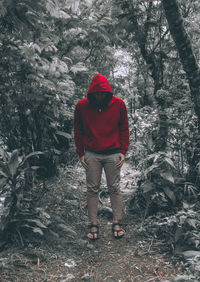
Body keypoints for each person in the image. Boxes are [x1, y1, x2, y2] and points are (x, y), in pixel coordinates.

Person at [74, 73, 129, 240]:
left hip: (113, 153)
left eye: (102, 93)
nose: (100, 96)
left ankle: (117, 222)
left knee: (114, 188)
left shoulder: (119, 104)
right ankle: (93, 223)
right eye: (97, 93)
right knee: (92, 189)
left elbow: (124, 128)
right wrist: (81, 153)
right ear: (92, 92)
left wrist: (123, 151)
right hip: (92, 154)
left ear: (108, 92)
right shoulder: (82, 106)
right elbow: (78, 130)